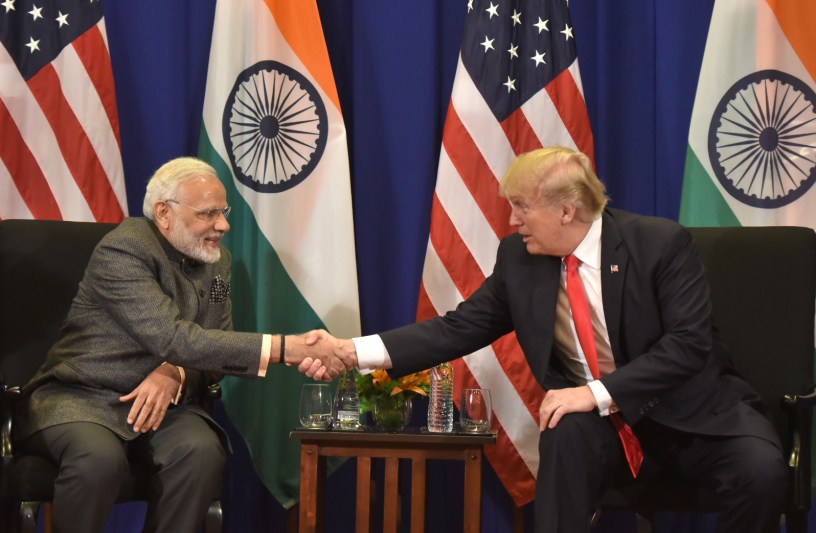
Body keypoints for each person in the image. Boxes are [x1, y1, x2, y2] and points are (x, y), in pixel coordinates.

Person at [302, 146, 787, 532]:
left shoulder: (660, 244)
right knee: (565, 427)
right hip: (603, 429)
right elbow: (458, 327)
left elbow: (687, 345)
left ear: (566, 211)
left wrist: (594, 393)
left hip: (692, 415)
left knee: (762, 473)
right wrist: (351, 351)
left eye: (522, 208)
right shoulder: (521, 258)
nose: (512, 221)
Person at [16, 157, 348, 533]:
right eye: (209, 214)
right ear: (164, 213)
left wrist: (174, 372)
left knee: (201, 451)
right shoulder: (124, 252)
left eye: (224, 212)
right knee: (98, 459)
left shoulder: (217, 265)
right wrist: (286, 348)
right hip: (83, 396)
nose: (223, 225)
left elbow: (215, 342)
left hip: (167, 405)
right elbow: (172, 337)